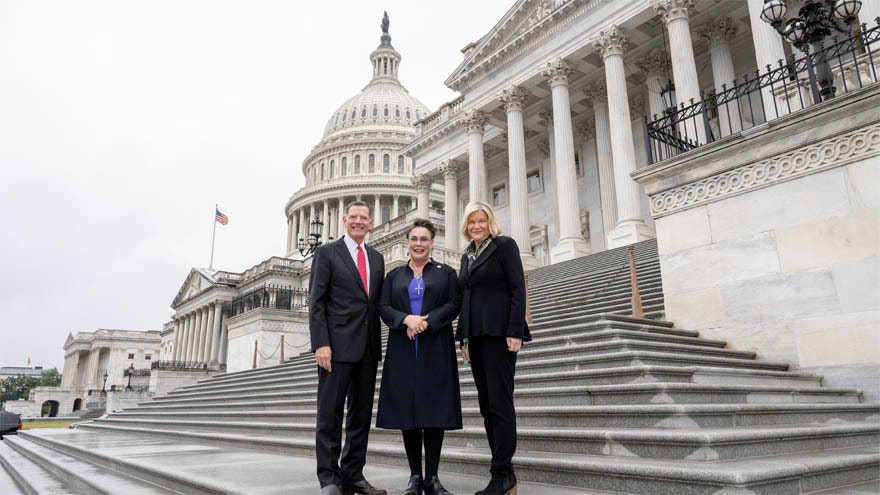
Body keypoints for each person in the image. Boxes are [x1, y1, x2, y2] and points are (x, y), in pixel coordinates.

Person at [376, 219, 461, 495]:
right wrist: (406, 319)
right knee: (407, 414)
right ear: (408, 242)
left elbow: (454, 303)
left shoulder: (445, 273)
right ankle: (415, 476)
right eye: (414, 239)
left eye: (424, 239)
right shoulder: (394, 277)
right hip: (403, 349)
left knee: (433, 412)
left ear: (432, 243)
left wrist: (427, 321)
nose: (418, 244)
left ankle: (432, 478)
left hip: (435, 347)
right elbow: (384, 307)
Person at [309, 201, 387, 495]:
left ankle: (353, 474)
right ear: (344, 220)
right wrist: (321, 343)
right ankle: (328, 478)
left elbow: (376, 303)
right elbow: (316, 303)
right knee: (329, 414)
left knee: (360, 415)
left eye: (363, 218)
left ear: (370, 222)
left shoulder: (376, 258)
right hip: (336, 347)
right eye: (353, 217)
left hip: (367, 348)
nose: (358, 222)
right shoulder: (327, 253)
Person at [456, 201, 530, 495]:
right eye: (472, 222)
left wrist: (515, 331)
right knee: (487, 407)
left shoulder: (504, 246)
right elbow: (466, 298)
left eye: (481, 221)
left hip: (500, 335)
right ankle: (503, 473)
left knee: (500, 404)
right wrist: (463, 338)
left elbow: (517, 289)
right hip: (476, 337)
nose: (476, 226)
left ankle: (502, 473)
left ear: (490, 222)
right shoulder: (466, 256)